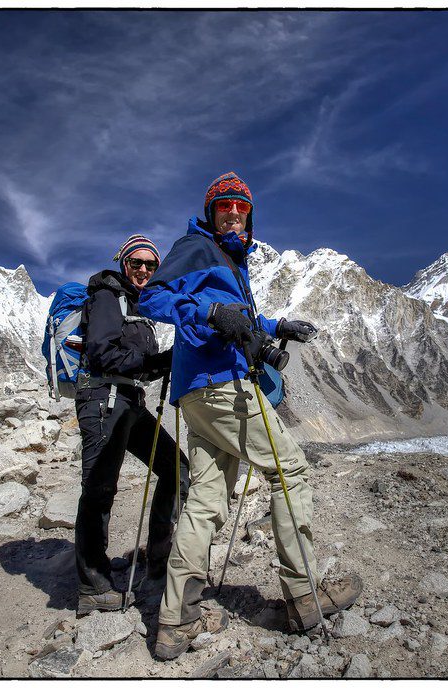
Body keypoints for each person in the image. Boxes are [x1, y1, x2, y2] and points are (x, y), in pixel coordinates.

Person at [138, 172, 362, 660]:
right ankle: (305, 597)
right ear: (211, 214)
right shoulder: (197, 248)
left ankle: (176, 621)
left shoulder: (229, 262)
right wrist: (212, 314)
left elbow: (235, 316)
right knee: (290, 470)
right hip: (222, 387)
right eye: (225, 208)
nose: (234, 214)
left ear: (250, 216)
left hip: (196, 394)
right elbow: (152, 298)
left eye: (241, 208)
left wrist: (275, 325)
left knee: (205, 500)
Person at [74, 234, 190, 616]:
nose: (143, 270)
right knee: (99, 488)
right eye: (135, 263)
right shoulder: (109, 296)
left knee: (176, 468)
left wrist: (164, 362)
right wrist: (155, 363)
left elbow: (138, 361)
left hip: (129, 402)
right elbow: (102, 351)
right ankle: (93, 584)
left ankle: (160, 558)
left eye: (150, 265)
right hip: (103, 400)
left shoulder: (140, 308)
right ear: (123, 263)